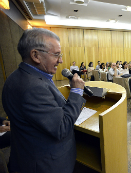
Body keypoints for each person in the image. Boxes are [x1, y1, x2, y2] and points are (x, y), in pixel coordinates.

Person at [2, 28, 86, 173]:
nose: (61, 60)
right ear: (36, 55)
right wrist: (77, 91)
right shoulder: (33, 87)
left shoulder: (15, 77)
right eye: (56, 55)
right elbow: (61, 128)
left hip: (26, 154)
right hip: (45, 164)